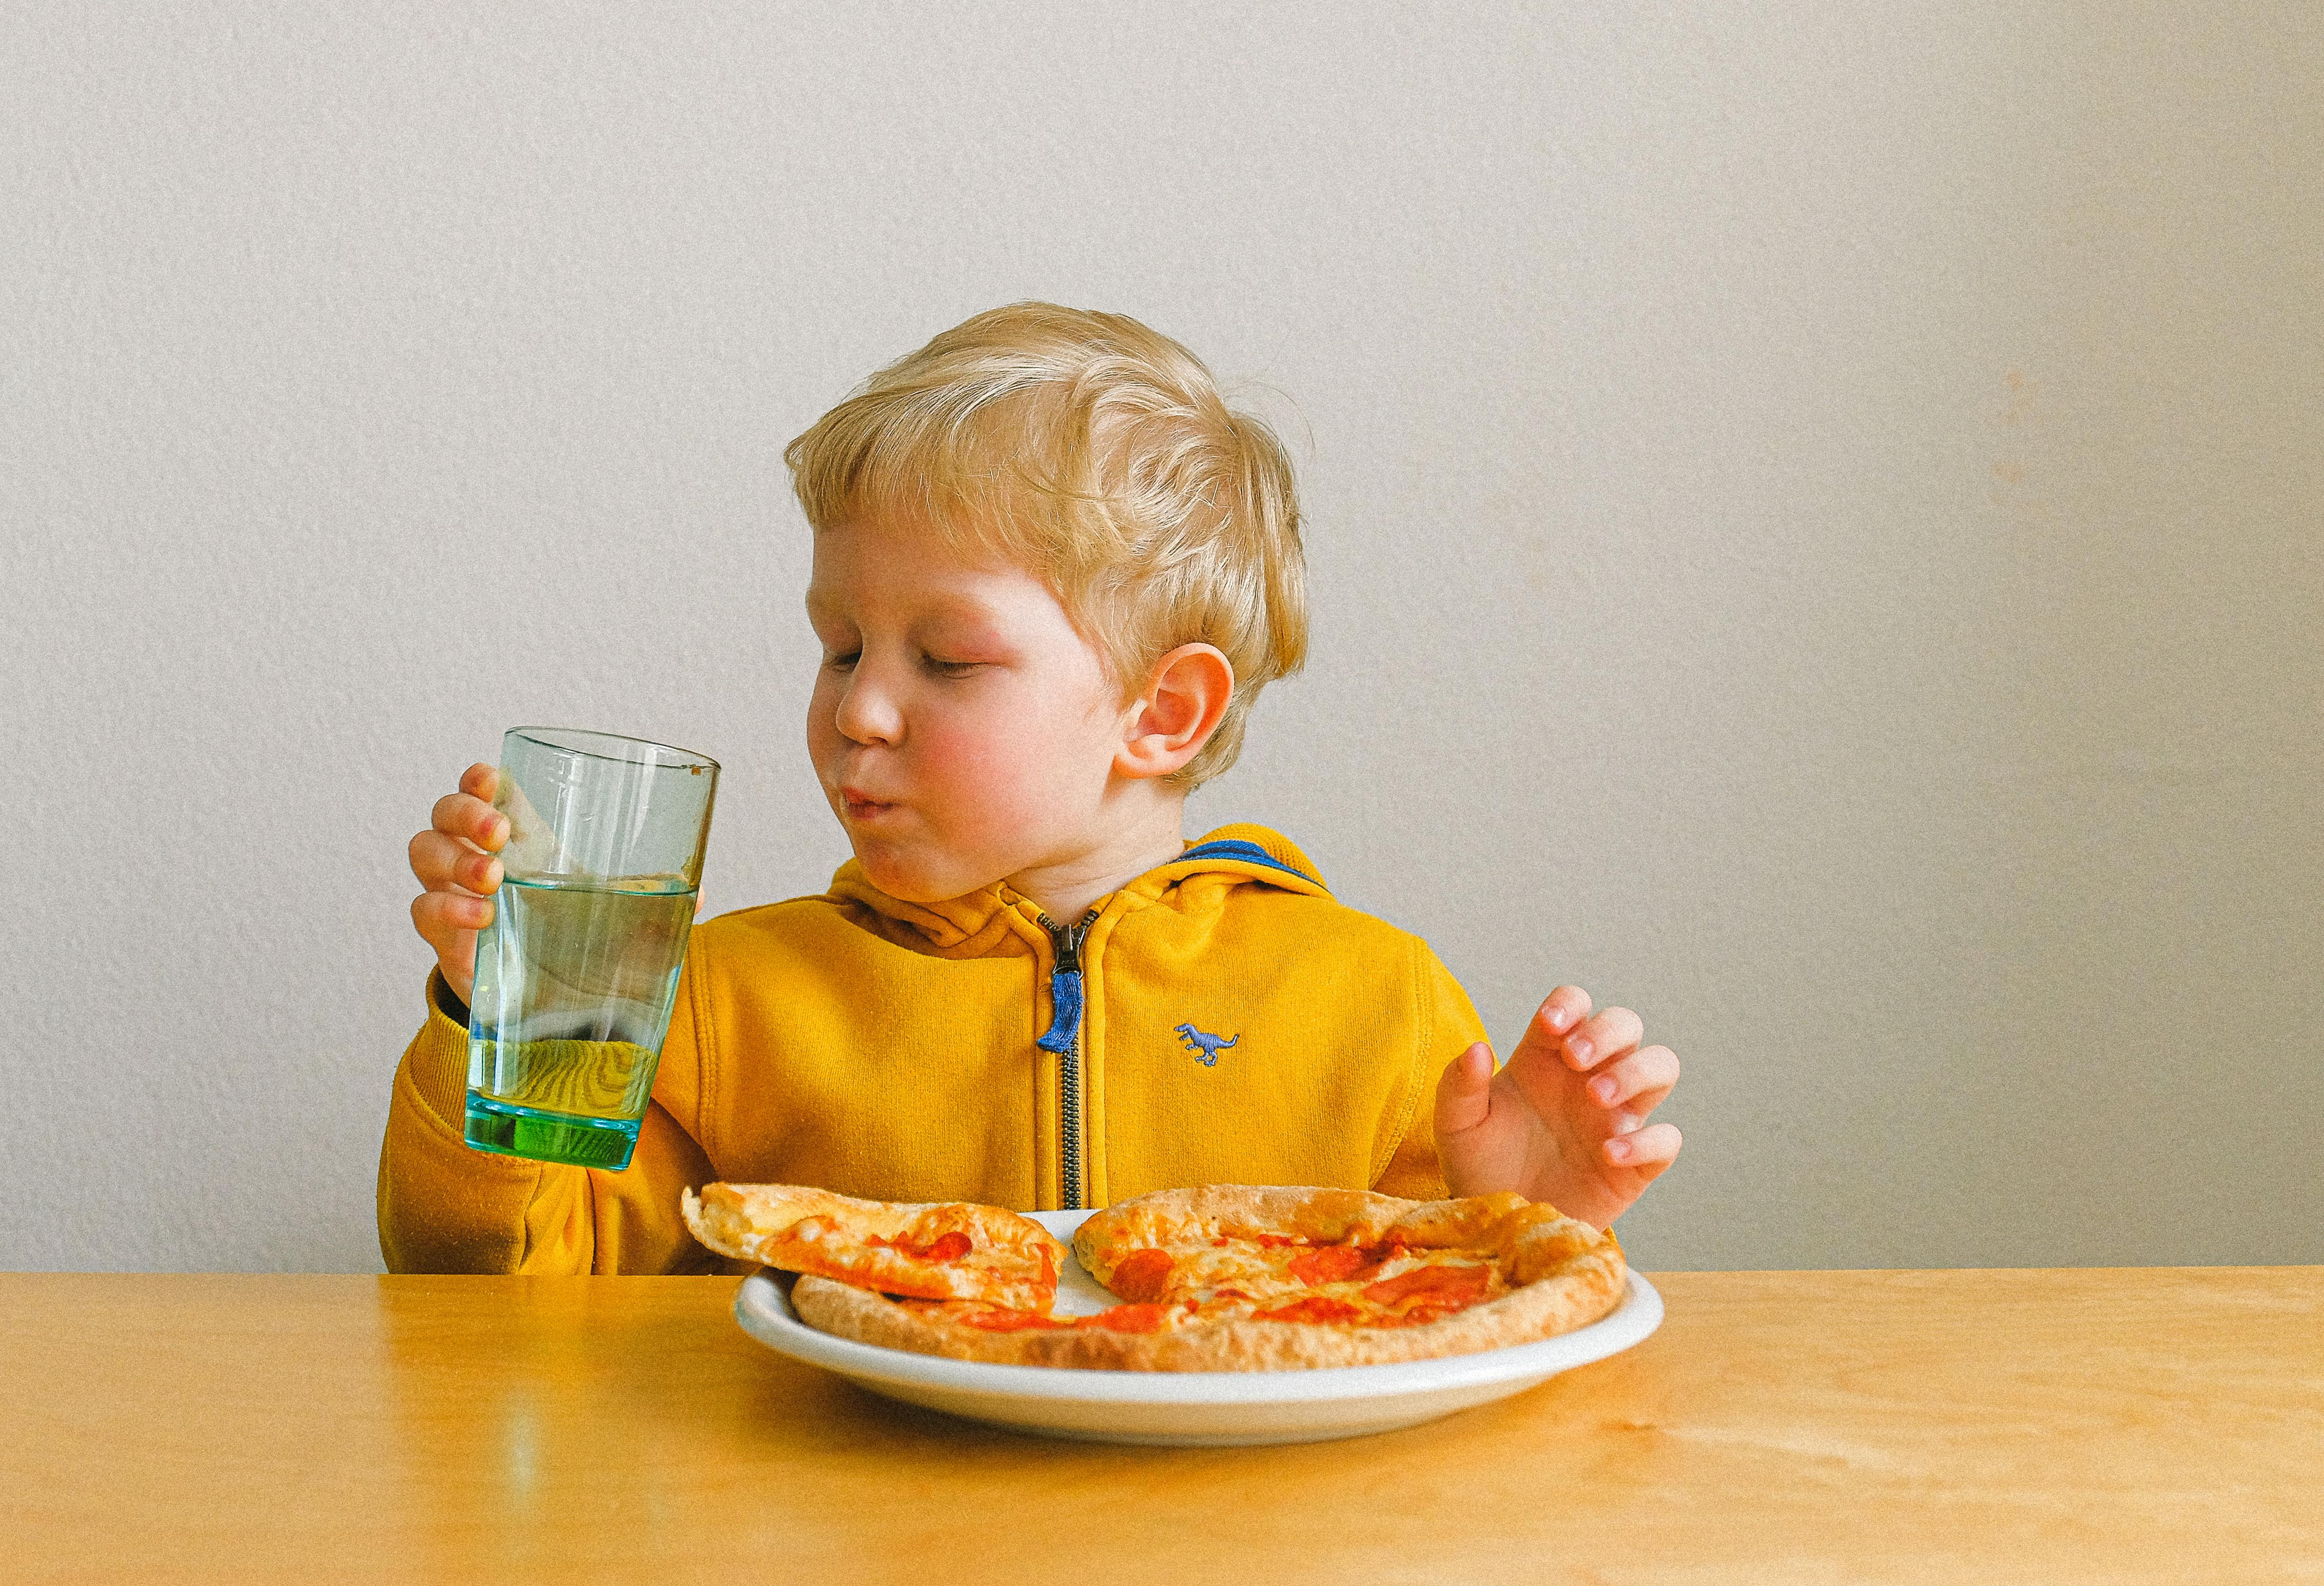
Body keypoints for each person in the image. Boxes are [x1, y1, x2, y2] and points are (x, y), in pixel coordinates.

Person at [380, 304, 1682, 1273]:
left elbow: (1437, 1337)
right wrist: (500, 1014)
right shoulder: (729, 1009)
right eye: (839, 646)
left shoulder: (1375, 1011)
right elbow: (495, 1290)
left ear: (1160, 713)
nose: (857, 708)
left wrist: (1526, 1225)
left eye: (944, 658)